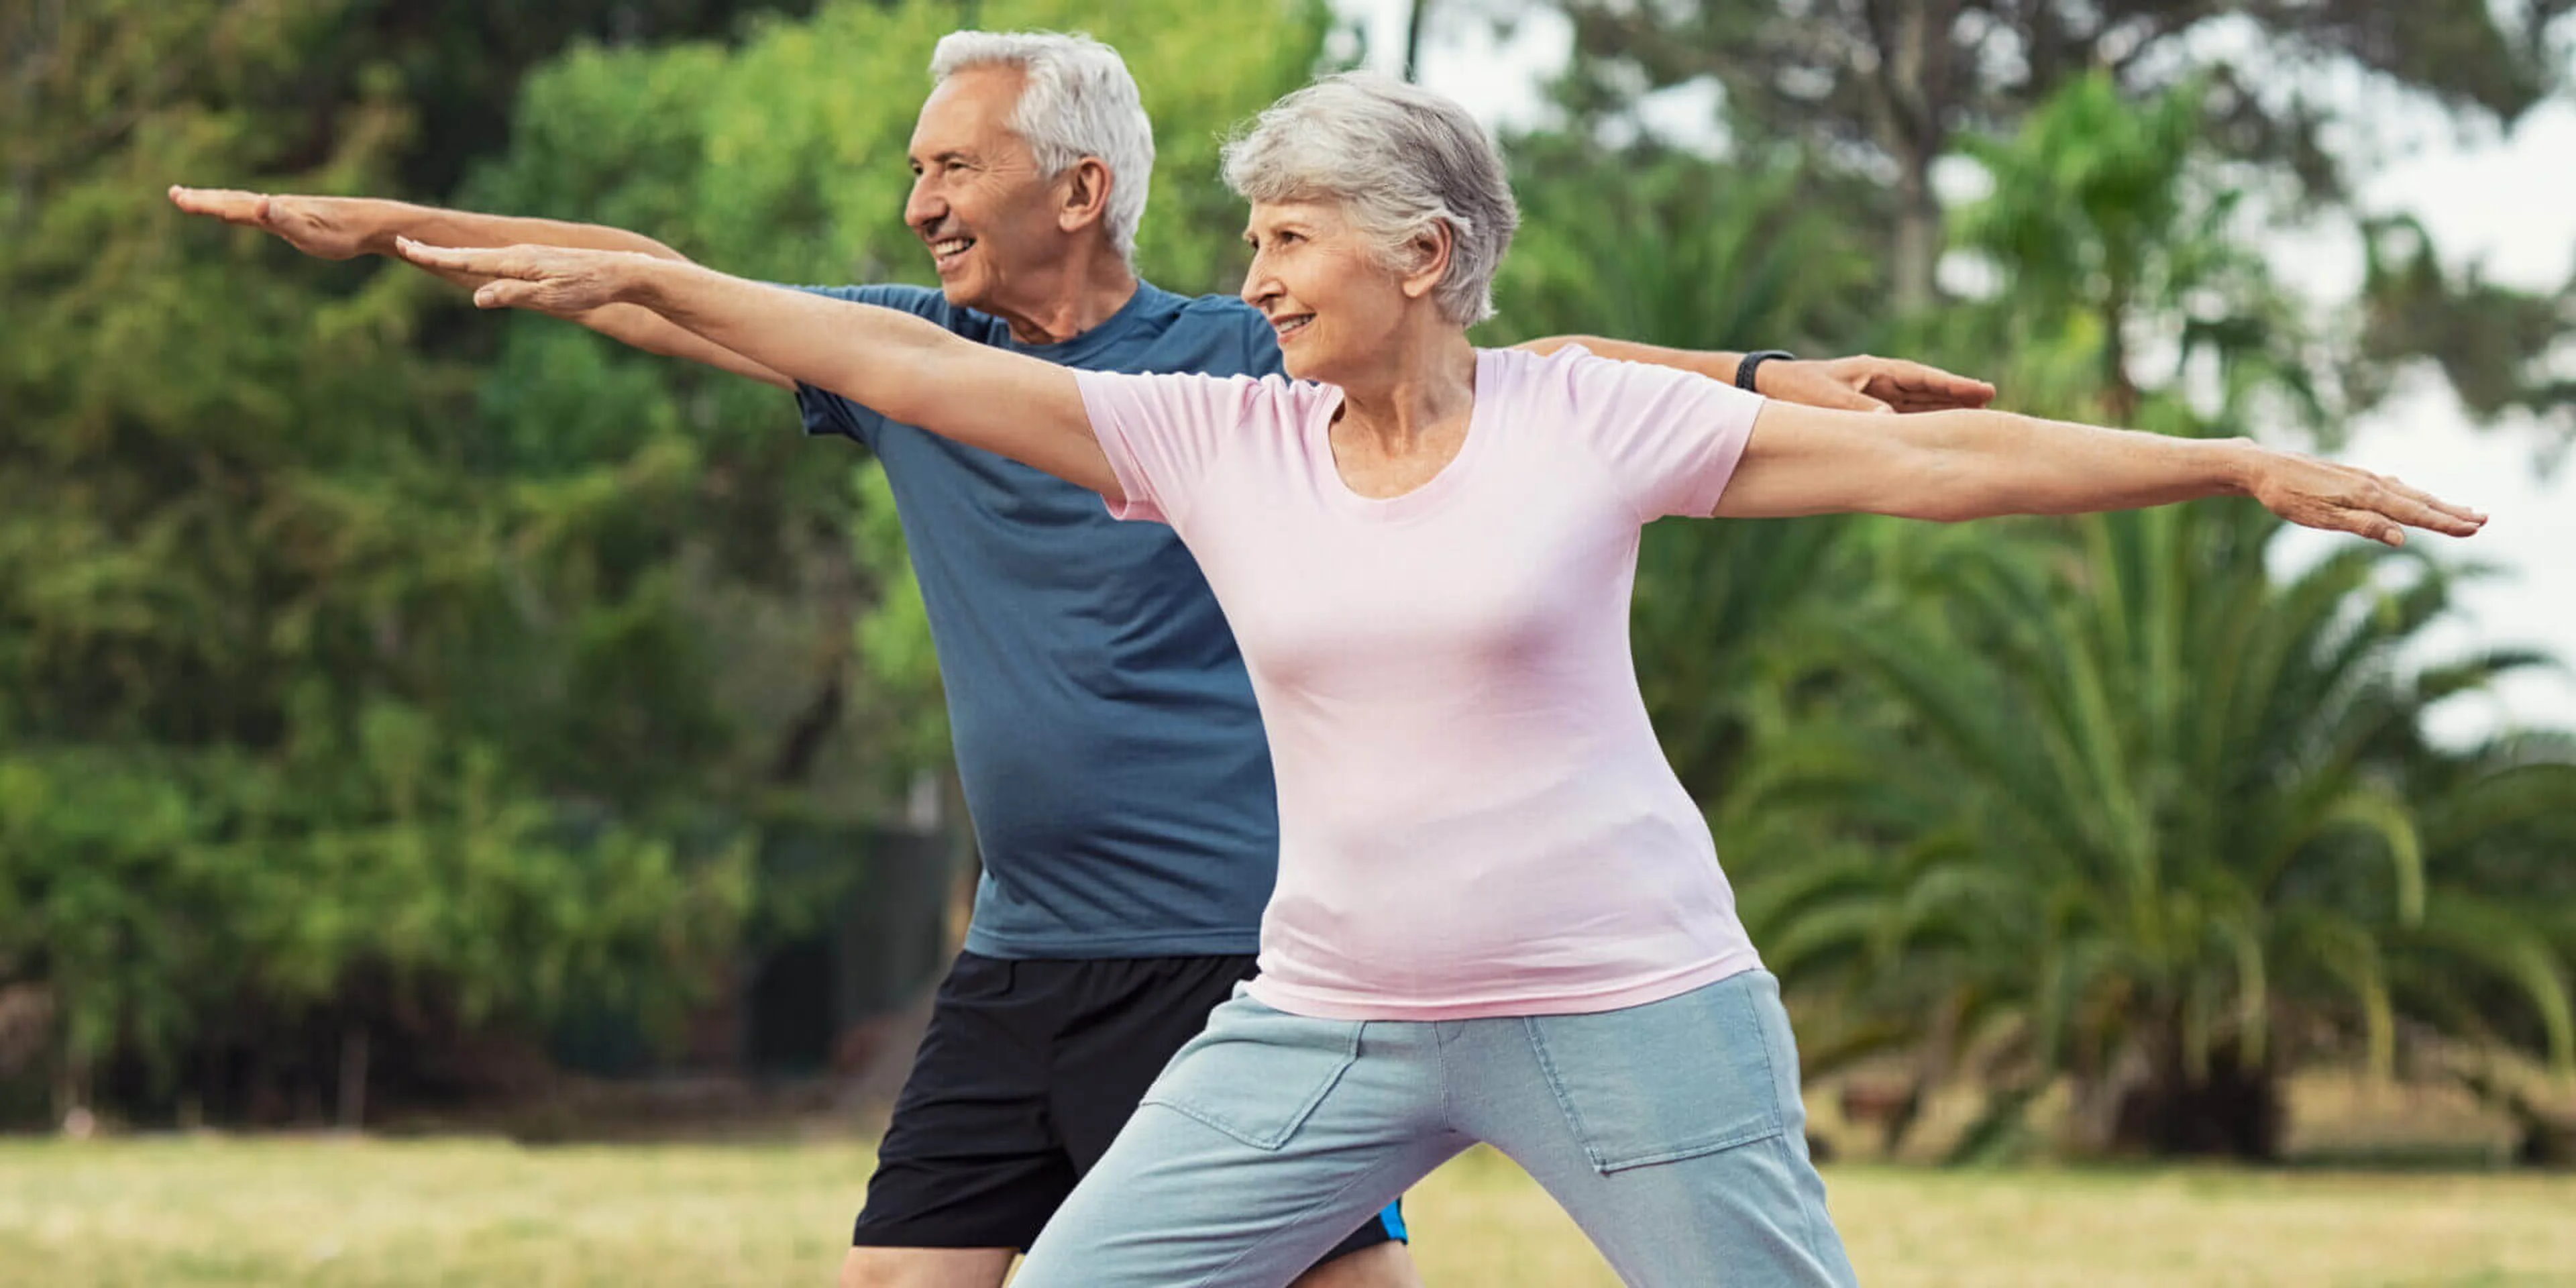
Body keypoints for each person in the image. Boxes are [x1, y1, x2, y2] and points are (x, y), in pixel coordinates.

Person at [390, 66, 2485, 1285]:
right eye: (1257, 242)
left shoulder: (1588, 415)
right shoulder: (1214, 440)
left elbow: (1935, 466)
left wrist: (2226, 462)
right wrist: (659, 278)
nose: (1260, 280)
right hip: (1331, 1021)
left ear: (1421, 255)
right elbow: (895, 361)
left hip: (1634, 1011)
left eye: (1293, 240)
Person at [172, 31, 2002, 1288]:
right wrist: (393, 235)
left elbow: (1531, 374)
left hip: (1230, 950)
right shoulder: (908, 360)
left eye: (953, 167)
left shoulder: (1246, 360)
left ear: (1081, 185)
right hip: (1024, 946)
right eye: (914, 174)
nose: (919, 206)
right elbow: (660, 273)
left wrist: (1757, 379)